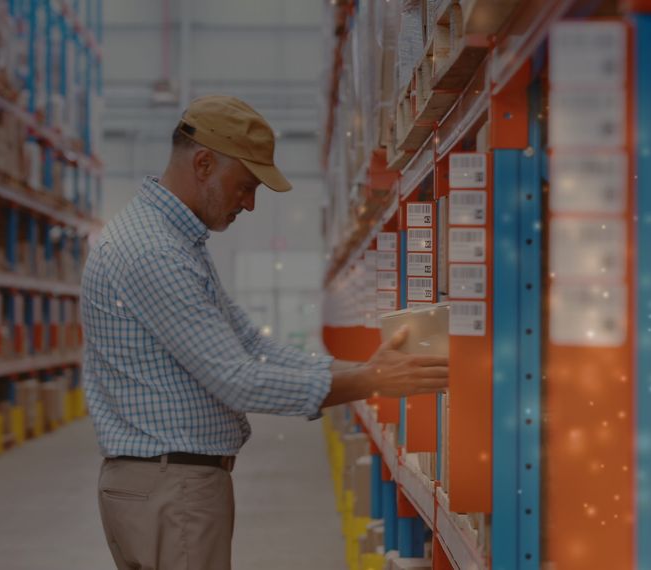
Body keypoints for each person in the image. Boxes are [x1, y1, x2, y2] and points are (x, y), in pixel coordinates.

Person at [80, 95, 448, 570]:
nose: (250, 205)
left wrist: (361, 368)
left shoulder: (174, 242)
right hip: (171, 488)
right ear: (204, 163)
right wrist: (371, 382)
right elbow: (238, 378)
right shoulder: (153, 252)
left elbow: (250, 345)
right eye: (246, 186)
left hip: (167, 486)